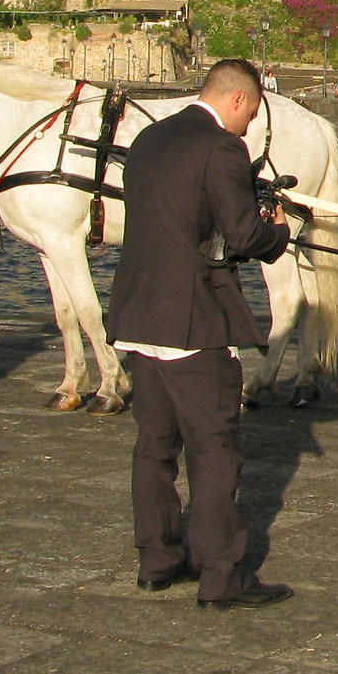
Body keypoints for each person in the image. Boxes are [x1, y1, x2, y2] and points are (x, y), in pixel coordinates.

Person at [108, 58, 296, 610]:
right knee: (214, 451)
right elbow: (241, 234)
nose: (249, 127)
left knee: (154, 448)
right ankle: (222, 577)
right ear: (238, 100)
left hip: (138, 315)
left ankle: (158, 560)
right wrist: (277, 233)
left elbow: (171, 217)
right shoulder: (222, 148)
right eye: (253, 113)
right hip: (193, 321)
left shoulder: (148, 139)